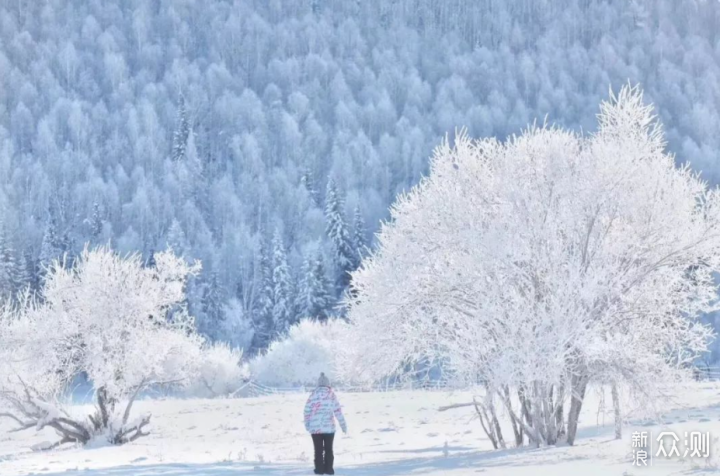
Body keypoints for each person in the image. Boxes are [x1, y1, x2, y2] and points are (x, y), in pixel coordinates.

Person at [303, 372, 347, 475]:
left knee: (318, 450)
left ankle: (319, 470)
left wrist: (307, 424)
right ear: (328, 384)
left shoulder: (312, 395)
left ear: (318, 384)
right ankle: (329, 469)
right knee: (328, 449)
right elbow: (338, 411)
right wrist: (343, 425)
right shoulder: (331, 395)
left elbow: (307, 411)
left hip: (315, 428)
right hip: (329, 428)